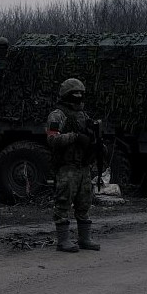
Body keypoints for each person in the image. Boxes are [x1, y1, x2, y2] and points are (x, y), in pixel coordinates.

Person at [46, 78, 100, 253]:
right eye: (74, 93)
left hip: (83, 166)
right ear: (67, 95)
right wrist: (75, 137)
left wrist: (97, 144)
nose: (78, 97)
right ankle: (63, 241)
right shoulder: (57, 115)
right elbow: (52, 139)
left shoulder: (84, 115)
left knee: (84, 203)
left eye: (81, 94)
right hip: (67, 167)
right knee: (63, 203)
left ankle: (84, 239)